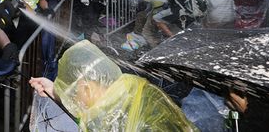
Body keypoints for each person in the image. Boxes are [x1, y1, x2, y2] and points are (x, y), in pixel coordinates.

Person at [29, 40, 197, 131]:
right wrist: (53, 90)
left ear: (86, 88)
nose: (72, 100)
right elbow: (86, 111)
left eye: (73, 94)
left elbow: (87, 118)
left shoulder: (110, 121)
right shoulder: (131, 86)